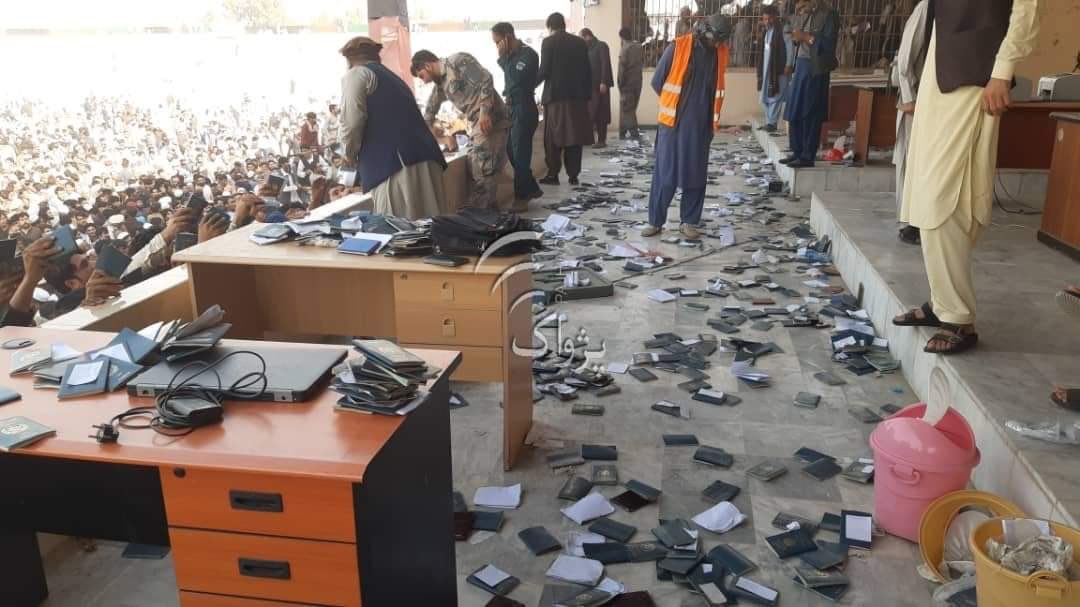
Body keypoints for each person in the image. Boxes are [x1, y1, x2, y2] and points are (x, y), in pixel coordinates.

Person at [893, 0, 1038, 355]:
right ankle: (942, 300)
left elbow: (1027, 9)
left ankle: (958, 316)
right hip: (938, 77)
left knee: (945, 196)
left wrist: (1002, 72)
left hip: (973, 79)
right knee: (924, 193)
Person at [643, 14, 731, 240]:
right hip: (673, 125)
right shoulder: (678, 47)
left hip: (701, 127)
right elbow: (657, 82)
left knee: (696, 176)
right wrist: (676, 104)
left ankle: (689, 222)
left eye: (720, 41)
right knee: (665, 175)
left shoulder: (719, 53)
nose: (717, 44)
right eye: (714, 39)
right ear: (704, 31)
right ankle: (655, 221)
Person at [339, 37, 446, 219]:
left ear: (349, 60)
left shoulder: (357, 74)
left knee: (400, 231)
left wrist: (348, 154)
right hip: (425, 160)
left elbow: (351, 123)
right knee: (432, 228)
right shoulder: (392, 77)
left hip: (396, 167)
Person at [413, 49, 510, 210]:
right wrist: (437, 133)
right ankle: (491, 214)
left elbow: (486, 79)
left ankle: (483, 215)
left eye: (422, 76)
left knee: (483, 168)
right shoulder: (441, 85)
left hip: (491, 120)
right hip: (477, 124)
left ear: (427, 66)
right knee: (476, 166)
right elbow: (429, 111)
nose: (424, 81)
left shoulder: (458, 61)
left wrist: (485, 112)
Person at [780, 0, 839, 168]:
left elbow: (829, 44)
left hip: (816, 68)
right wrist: (798, 25)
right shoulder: (804, 13)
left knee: (810, 112)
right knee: (795, 109)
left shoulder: (829, 14)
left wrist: (806, 37)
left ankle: (807, 156)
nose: (801, 4)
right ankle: (797, 151)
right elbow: (794, 35)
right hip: (800, 64)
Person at [537, 12, 593, 186]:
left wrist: (528, 86)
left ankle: (553, 174)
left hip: (556, 99)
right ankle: (573, 175)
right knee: (574, 138)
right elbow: (587, 70)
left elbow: (544, 70)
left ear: (550, 26)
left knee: (553, 139)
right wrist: (586, 96)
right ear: (563, 24)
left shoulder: (548, 42)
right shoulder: (579, 42)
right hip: (577, 100)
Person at [492, 22, 543, 210]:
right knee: (512, 152)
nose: (496, 46)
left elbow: (516, 78)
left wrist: (503, 58)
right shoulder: (511, 56)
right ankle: (531, 188)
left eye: (497, 42)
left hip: (524, 107)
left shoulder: (528, 54)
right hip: (512, 108)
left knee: (520, 155)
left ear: (507, 37)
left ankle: (521, 198)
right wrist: (505, 58)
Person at [892, 0, 929, 246]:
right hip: (915, 100)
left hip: (936, 101)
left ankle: (924, 219)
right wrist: (909, 99)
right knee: (911, 160)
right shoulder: (927, 8)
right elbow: (905, 61)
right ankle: (910, 222)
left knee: (928, 163)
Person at [580, 28, 614, 149]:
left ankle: (601, 140)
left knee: (601, 113)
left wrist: (603, 82)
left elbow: (605, 64)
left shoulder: (601, 46)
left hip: (600, 86)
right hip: (590, 87)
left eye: (582, 38)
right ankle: (589, 139)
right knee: (590, 113)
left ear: (587, 36)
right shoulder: (587, 49)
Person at [756, 5, 789, 133]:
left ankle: (772, 123)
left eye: (769, 18)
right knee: (765, 96)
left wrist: (788, 64)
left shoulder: (783, 29)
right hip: (766, 70)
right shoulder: (766, 32)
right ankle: (769, 122)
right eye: (764, 19)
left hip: (778, 69)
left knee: (776, 96)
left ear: (775, 17)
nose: (767, 21)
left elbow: (790, 48)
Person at [618, 26, 644, 140]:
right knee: (630, 108)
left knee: (627, 109)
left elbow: (622, 69)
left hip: (627, 83)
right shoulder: (639, 47)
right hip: (638, 82)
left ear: (621, 37)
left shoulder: (625, 49)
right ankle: (622, 131)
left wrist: (620, 83)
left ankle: (634, 133)